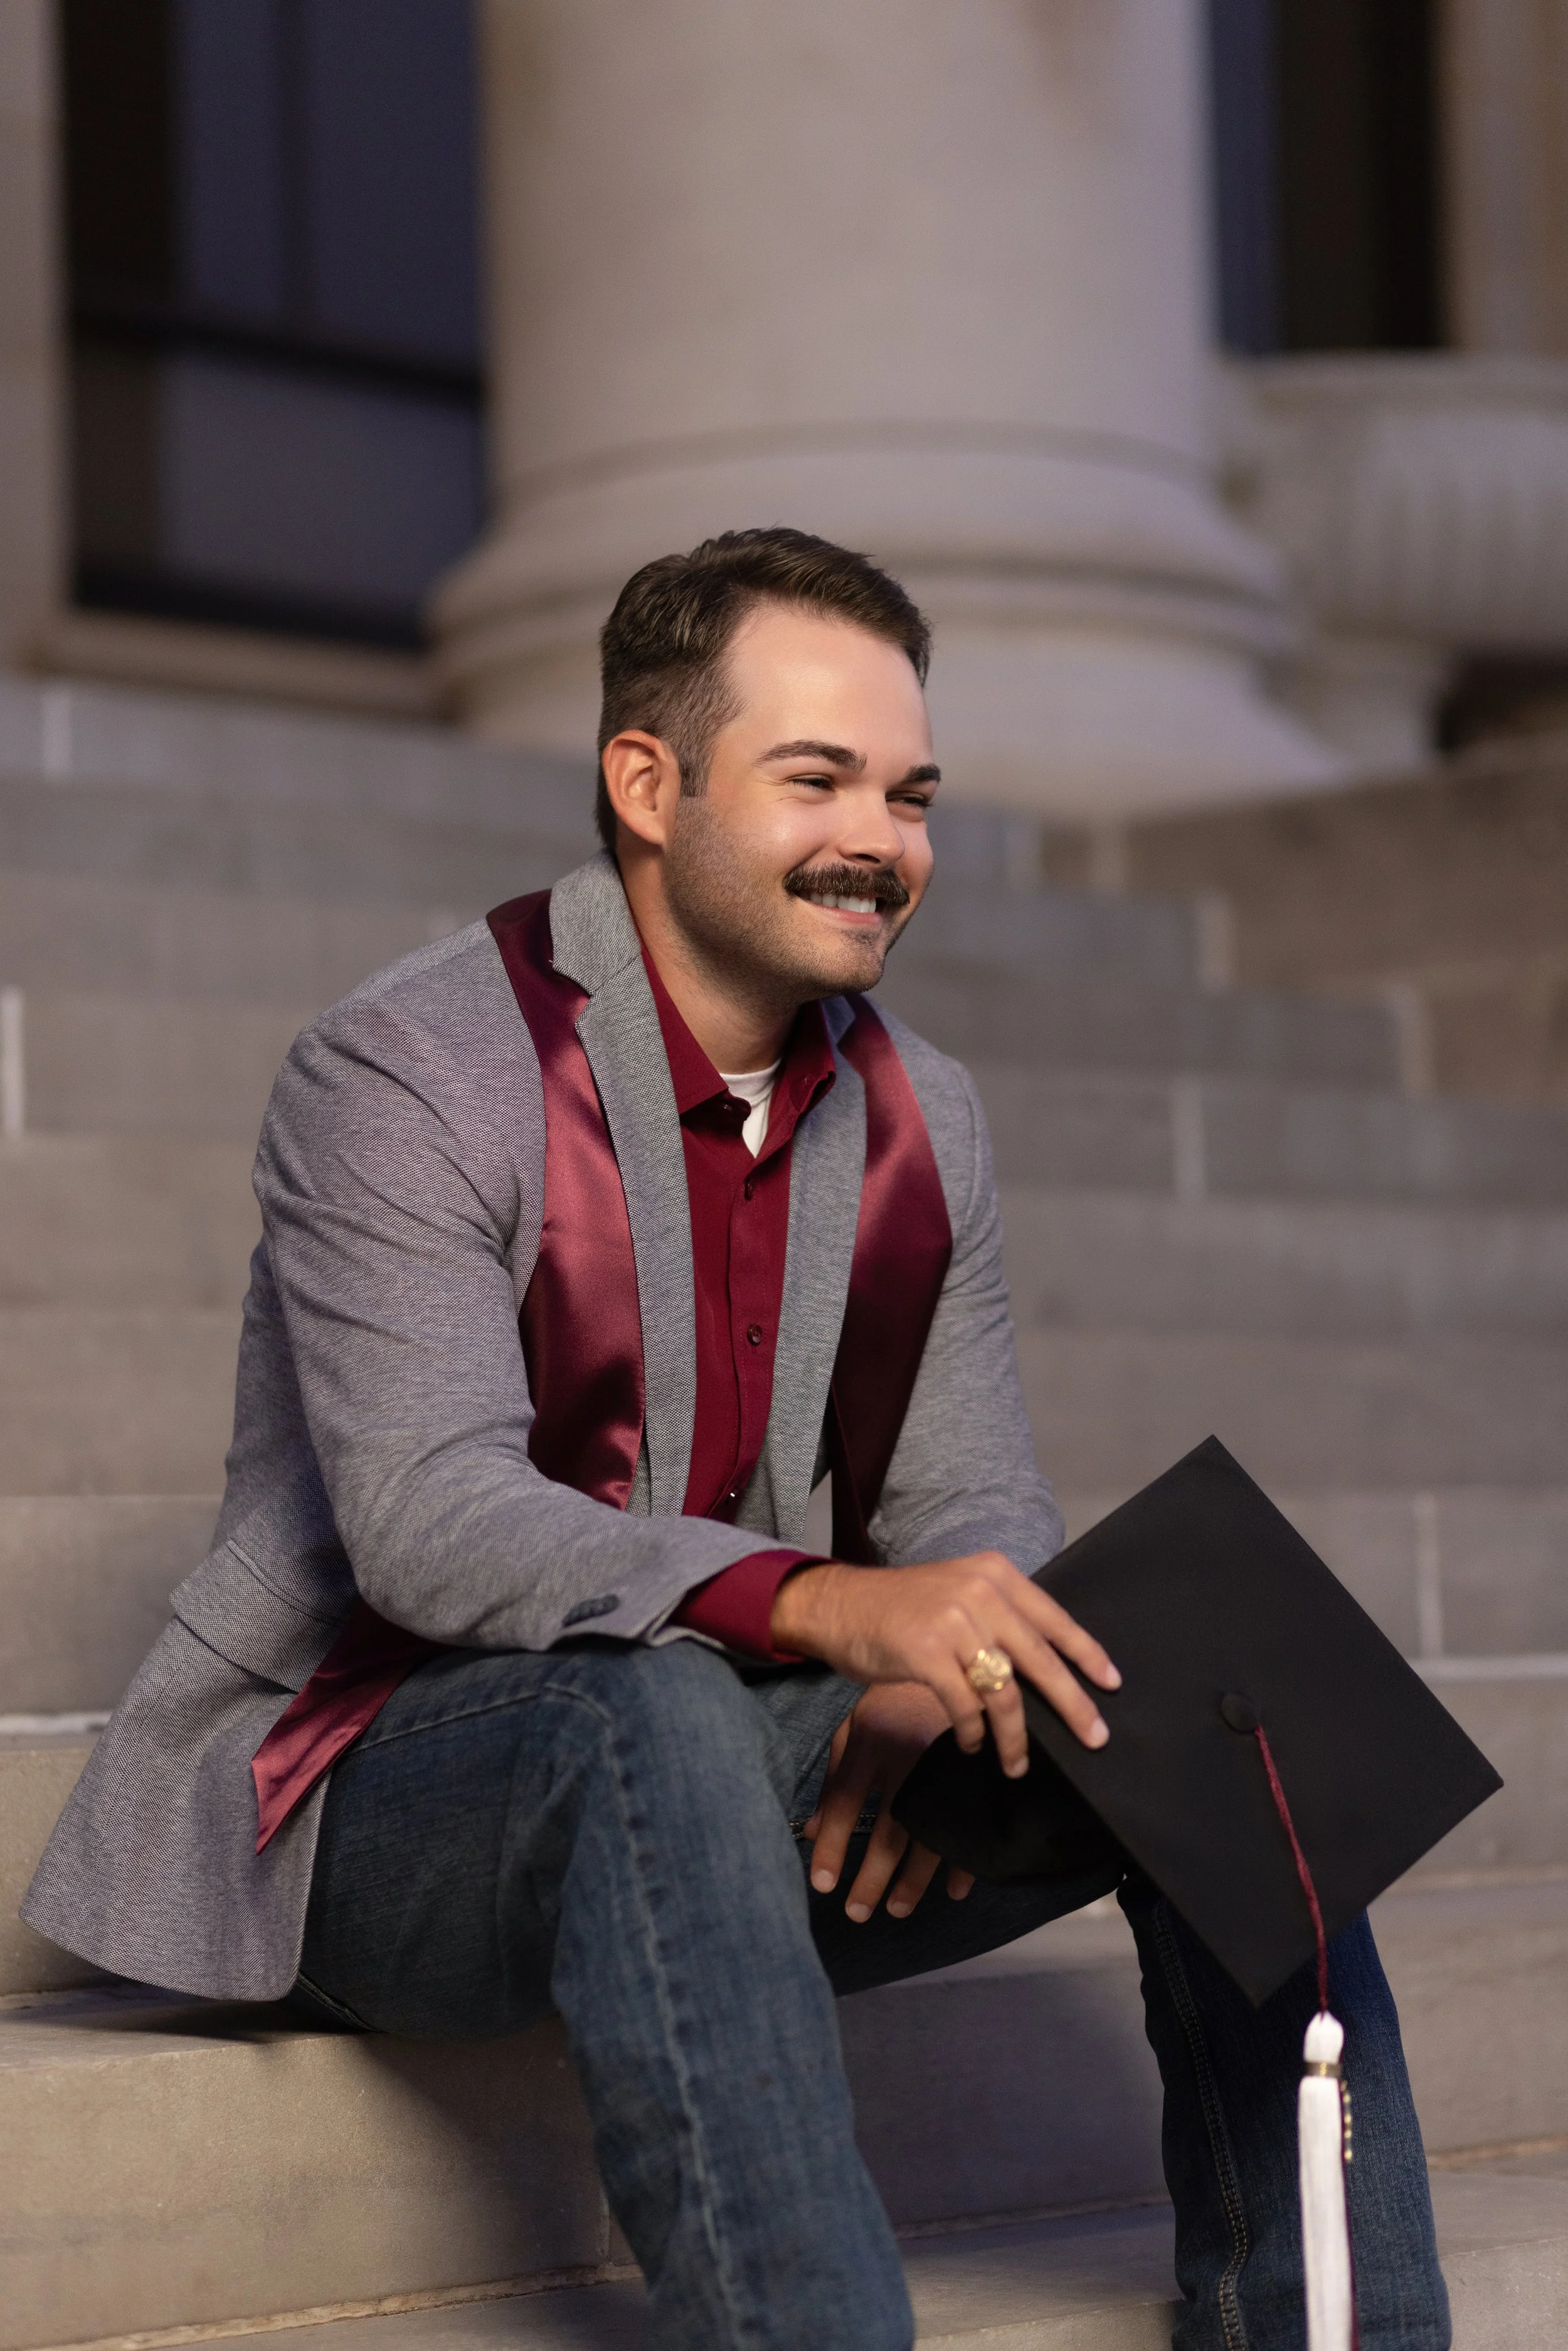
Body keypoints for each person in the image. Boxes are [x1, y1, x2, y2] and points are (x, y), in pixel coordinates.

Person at [24, 528, 1449, 2350]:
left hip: (747, 1785)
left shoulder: (921, 1110)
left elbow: (969, 1501)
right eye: (817, 778)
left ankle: (1332, 2333)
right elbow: (429, 1519)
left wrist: (948, 1678)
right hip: (387, 1797)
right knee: (654, 1707)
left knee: (1204, 1665)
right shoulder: (408, 1068)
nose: (881, 836)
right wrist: (836, 1620)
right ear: (647, 782)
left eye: (911, 793)